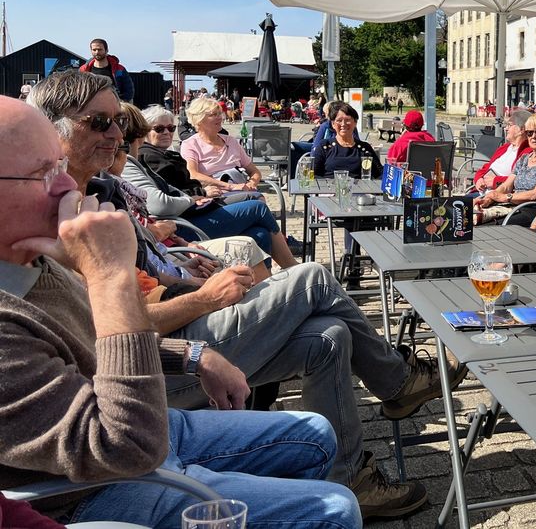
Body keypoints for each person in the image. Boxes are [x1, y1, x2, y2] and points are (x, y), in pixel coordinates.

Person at [26, 74, 465, 519]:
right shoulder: (53, 227)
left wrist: (186, 278)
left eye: (118, 121)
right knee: (311, 277)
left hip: (171, 333)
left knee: (328, 336)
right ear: (50, 131)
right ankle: (397, 382)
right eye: (100, 122)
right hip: (143, 378)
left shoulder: (97, 195)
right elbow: (113, 330)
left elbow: (136, 289)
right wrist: (203, 303)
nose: (119, 133)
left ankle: (351, 475)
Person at [0, 95, 362, 529]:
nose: (65, 187)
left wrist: (192, 355)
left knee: (321, 411)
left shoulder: (32, 263)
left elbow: (99, 338)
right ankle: (399, 387)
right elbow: (125, 447)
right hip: (92, 486)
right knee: (335, 509)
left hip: (141, 419)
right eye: (43, 174)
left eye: (59, 167)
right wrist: (110, 276)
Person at [126, 105, 294, 257]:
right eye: (159, 129)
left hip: (197, 209)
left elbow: (174, 189)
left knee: (259, 233)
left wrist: (251, 181)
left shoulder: (163, 154)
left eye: (171, 128)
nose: (167, 133)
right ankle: (291, 265)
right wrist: (201, 193)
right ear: (144, 132)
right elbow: (164, 200)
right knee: (257, 206)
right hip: (185, 222)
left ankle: (264, 284)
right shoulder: (149, 157)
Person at [474, 114, 536, 224]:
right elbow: (506, 185)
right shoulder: (524, 159)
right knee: (468, 215)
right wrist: (489, 198)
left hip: (532, 209)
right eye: (530, 133)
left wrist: (505, 197)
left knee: (487, 225)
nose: (533, 136)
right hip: (511, 205)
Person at [313, 101, 382, 179]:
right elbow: (314, 175)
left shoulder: (364, 148)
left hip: (358, 190)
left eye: (348, 120)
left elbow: (380, 174)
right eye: (339, 120)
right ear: (333, 124)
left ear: (355, 122)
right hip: (329, 190)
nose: (343, 124)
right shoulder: (325, 146)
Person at [472, 108, 532, 193]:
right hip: (481, 192)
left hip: (497, 197)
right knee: (451, 203)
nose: (505, 128)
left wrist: (496, 181)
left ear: (521, 130)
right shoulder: (505, 148)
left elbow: (521, 181)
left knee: (453, 204)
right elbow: (487, 167)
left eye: (509, 125)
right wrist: (479, 179)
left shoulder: (527, 152)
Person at [78, 38, 133, 102]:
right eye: (94, 50)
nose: (97, 52)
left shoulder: (119, 69)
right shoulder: (83, 70)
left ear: (106, 50)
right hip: (91, 105)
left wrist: (121, 102)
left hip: (115, 104)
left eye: (100, 49)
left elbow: (129, 89)